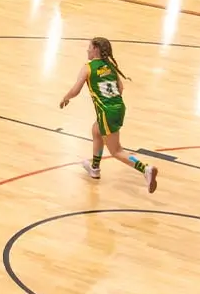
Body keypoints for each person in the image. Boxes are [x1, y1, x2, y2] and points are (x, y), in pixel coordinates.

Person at [59, 36, 156, 189]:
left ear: (95, 49)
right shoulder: (110, 66)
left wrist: (66, 97)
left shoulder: (88, 67)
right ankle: (95, 168)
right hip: (119, 108)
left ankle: (146, 169)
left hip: (107, 112)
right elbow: (121, 87)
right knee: (96, 130)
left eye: (89, 47)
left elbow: (76, 90)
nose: (87, 50)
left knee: (116, 151)